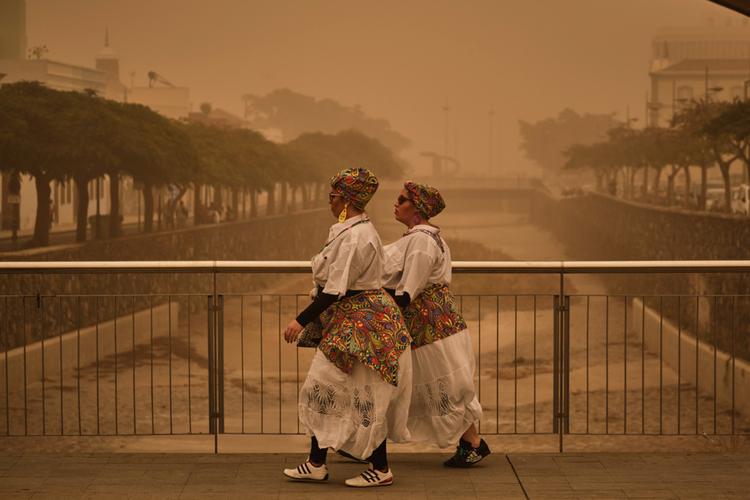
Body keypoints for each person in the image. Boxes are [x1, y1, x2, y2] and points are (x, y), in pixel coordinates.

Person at [282, 167, 413, 488]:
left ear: (347, 200)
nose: (330, 200)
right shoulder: (349, 230)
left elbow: (334, 289)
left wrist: (299, 321)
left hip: (362, 325)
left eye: (334, 196)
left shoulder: (355, 236)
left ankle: (379, 469)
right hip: (352, 321)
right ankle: (316, 462)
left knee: (364, 393)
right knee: (325, 387)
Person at [382, 181, 490, 467]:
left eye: (402, 200)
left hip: (431, 325)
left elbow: (408, 289)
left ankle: (472, 442)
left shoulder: (420, 241)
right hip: (435, 323)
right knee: (437, 383)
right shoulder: (422, 237)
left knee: (445, 385)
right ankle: (366, 442)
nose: (396, 203)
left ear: (417, 210)